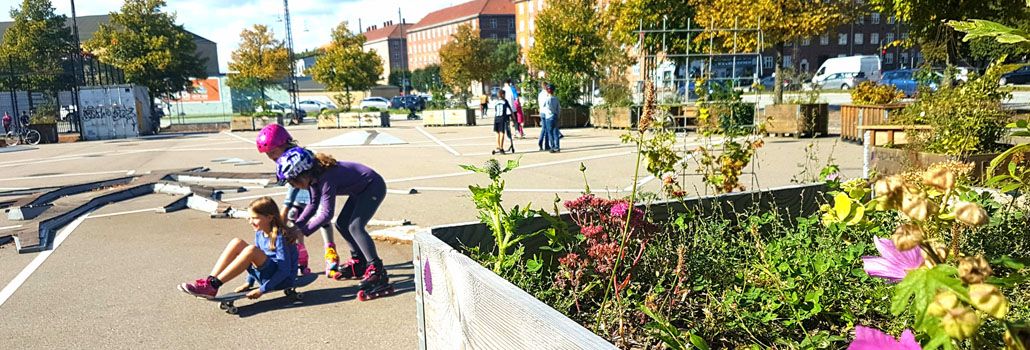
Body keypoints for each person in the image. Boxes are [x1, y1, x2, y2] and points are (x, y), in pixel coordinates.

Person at [276, 147, 394, 299]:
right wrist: (296, 226)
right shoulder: (314, 177)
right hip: (360, 190)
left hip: (373, 186)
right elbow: (312, 205)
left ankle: (377, 270)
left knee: (355, 226)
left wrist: (302, 231)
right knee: (342, 224)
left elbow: (326, 214)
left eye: (293, 181)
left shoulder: (326, 178)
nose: (293, 186)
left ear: (303, 174)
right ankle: (359, 262)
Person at [256, 124, 339, 278]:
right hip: (301, 196)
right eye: (267, 154)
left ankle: (330, 253)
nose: (271, 157)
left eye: (273, 152)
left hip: (315, 193)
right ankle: (301, 257)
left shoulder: (300, 156)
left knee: (323, 220)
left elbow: (293, 187)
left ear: (284, 144)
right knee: (295, 220)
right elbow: (292, 186)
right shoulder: (283, 159)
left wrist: (285, 208)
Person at [179, 197, 299, 299]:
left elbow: (285, 271)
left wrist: (262, 290)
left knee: (251, 250)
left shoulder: (280, 237)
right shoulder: (260, 233)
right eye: (249, 218)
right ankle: (210, 283)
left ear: (269, 217)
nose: (250, 221)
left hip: (282, 281)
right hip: (267, 275)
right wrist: (249, 282)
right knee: (237, 242)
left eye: (254, 218)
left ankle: (214, 285)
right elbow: (253, 259)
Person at [492, 89, 514, 155]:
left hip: (496, 118)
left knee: (496, 132)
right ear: (503, 95)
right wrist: (513, 118)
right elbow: (510, 110)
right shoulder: (505, 101)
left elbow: (496, 110)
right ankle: (501, 148)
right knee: (502, 133)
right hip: (502, 118)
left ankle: (497, 145)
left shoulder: (496, 101)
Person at [537, 82, 553, 151]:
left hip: (541, 112)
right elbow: (547, 103)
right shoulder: (546, 94)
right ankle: (542, 143)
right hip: (546, 112)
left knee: (545, 129)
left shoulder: (540, 94)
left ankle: (544, 144)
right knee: (546, 129)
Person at [545, 84, 561, 153]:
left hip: (549, 116)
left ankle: (552, 146)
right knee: (556, 133)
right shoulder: (556, 98)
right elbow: (559, 108)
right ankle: (557, 147)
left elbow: (548, 107)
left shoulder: (548, 99)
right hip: (555, 116)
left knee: (550, 133)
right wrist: (558, 115)